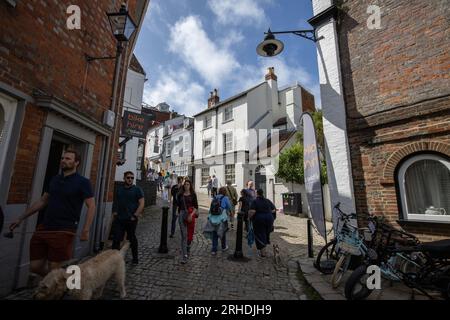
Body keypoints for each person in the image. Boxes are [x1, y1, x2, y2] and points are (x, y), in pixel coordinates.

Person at [9, 149, 96, 277]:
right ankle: (62, 281)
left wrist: (86, 230)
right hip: (45, 227)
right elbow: (43, 201)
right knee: (35, 266)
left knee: (54, 268)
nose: (63, 161)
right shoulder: (54, 179)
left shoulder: (83, 182)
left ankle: (56, 286)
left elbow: (92, 206)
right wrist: (20, 218)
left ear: (76, 162)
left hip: (64, 229)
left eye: (68, 159)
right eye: (62, 158)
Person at [112, 171, 144, 264]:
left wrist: (135, 215)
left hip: (131, 219)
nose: (130, 179)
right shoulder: (119, 190)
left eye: (132, 178)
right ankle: (114, 260)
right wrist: (115, 212)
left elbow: (142, 203)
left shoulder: (137, 189)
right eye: (128, 177)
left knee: (132, 239)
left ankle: (135, 259)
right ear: (124, 178)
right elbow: (117, 202)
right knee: (116, 239)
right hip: (120, 219)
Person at [176, 179, 199, 264]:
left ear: (190, 185)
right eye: (185, 184)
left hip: (190, 214)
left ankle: (188, 246)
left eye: (188, 184)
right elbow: (178, 205)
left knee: (190, 234)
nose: (186, 186)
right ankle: (184, 256)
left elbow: (196, 206)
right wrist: (177, 214)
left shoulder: (193, 195)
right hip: (182, 214)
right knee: (184, 235)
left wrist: (191, 214)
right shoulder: (180, 195)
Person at [248, 189, 276, 257]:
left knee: (260, 235)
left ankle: (263, 253)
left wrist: (248, 217)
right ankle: (264, 250)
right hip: (269, 219)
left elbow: (252, 211)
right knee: (266, 233)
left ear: (257, 194)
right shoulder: (267, 200)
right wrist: (267, 213)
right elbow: (274, 209)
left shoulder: (255, 201)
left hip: (259, 219)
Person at [208, 187, 232, 255]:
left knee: (214, 233)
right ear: (225, 192)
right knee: (223, 232)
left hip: (214, 218)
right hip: (222, 218)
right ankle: (223, 246)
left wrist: (209, 216)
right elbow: (229, 207)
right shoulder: (225, 198)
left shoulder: (215, 197)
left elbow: (211, 207)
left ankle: (214, 250)